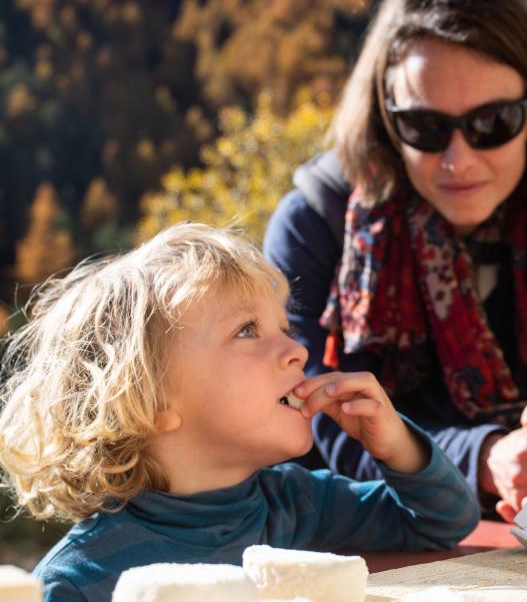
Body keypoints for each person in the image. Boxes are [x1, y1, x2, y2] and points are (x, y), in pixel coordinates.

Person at [264, 0, 527, 523]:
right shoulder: (317, 223)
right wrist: (481, 457)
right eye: (425, 128)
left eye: (492, 122)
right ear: (386, 115)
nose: (459, 160)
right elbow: (304, 424)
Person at [0, 223, 479, 602]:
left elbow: (440, 524)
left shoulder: (297, 505)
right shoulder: (75, 582)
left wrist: (396, 445)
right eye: (248, 330)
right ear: (149, 399)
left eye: (285, 327)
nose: (295, 348)